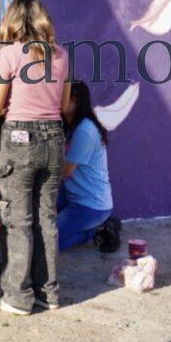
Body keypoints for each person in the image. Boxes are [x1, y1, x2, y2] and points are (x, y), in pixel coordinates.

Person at [0, 0, 70, 315]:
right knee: (45, 219)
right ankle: (47, 293)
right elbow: (62, 107)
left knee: (17, 220)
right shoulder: (61, 55)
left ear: (11, 21)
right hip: (53, 138)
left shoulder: (7, 54)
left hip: (19, 140)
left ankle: (17, 297)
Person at [58, 80, 117, 251]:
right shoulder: (69, 126)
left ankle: (95, 231)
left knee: (47, 241)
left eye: (61, 96)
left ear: (75, 100)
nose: (56, 100)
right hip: (72, 195)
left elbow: (66, 171)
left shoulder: (85, 130)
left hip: (90, 205)